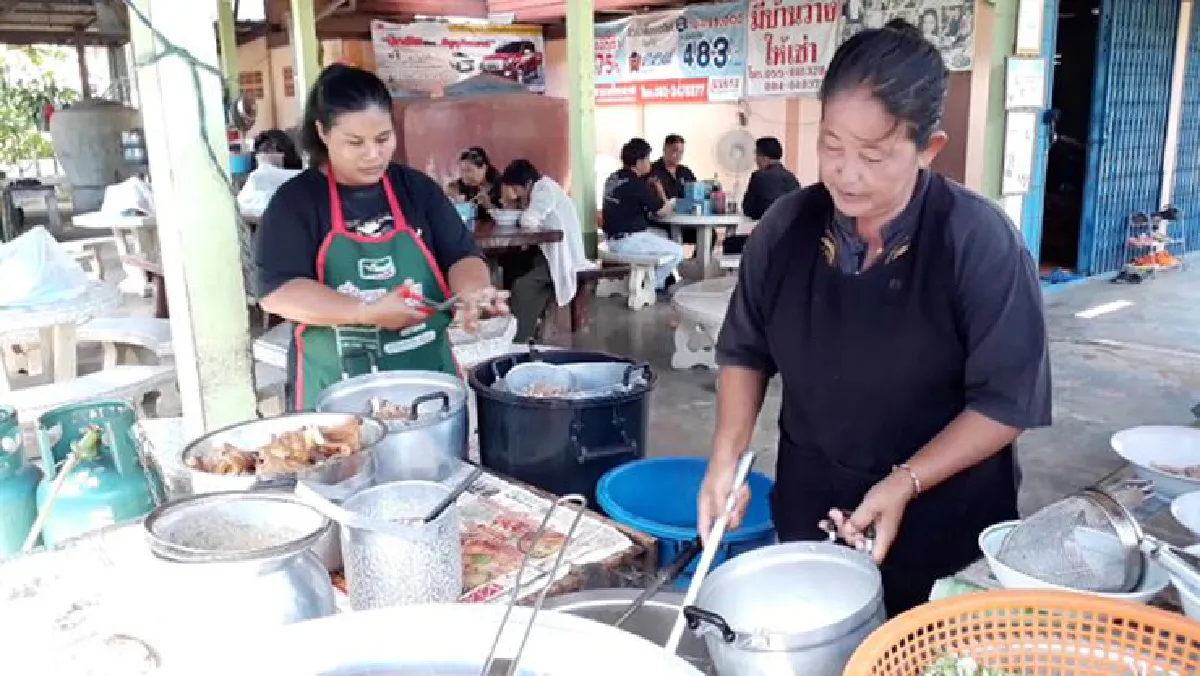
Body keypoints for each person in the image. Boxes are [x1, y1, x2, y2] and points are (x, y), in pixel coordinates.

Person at [696, 20, 1051, 618]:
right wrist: (726, 455)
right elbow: (745, 350)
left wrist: (904, 482)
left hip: (944, 518)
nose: (847, 173)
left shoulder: (976, 240)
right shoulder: (785, 229)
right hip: (813, 504)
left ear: (929, 149)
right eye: (832, 145)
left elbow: (1007, 402)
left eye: (875, 154)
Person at [254, 64, 509, 411]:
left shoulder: (415, 189)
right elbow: (278, 292)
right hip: (335, 390)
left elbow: (461, 255)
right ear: (323, 133)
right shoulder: (297, 202)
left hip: (426, 386)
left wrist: (472, 294)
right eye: (355, 143)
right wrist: (366, 312)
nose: (373, 154)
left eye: (383, 138)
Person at [497, 159, 590, 341]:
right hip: (549, 253)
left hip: (564, 258)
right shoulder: (542, 189)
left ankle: (519, 337)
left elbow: (529, 221)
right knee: (512, 267)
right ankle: (526, 326)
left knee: (522, 287)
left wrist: (514, 205)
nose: (514, 193)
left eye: (515, 189)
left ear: (528, 184)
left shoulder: (544, 189)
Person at [602, 138, 685, 293]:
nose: (649, 163)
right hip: (628, 240)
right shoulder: (637, 184)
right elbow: (662, 211)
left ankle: (658, 278)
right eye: (647, 159)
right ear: (639, 162)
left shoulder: (613, 178)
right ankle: (651, 286)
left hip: (612, 237)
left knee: (662, 234)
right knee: (678, 252)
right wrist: (660, 191)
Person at [741, 137, 800, 221]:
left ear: (763, 158)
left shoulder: (759, 176)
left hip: (766, 227)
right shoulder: (791, 177)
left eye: (756, 155)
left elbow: (747, 208)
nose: (755, 160)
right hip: (790, 229)